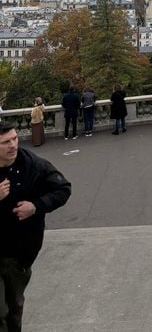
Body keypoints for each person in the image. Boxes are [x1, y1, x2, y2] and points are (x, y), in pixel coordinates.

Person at [0, 126, 71, 332]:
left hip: (19, 254)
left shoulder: (33, 165)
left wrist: (36, 207)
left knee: (14, 308)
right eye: (6, 142)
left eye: (14, 139)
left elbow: (63, 188)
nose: (13, 145)